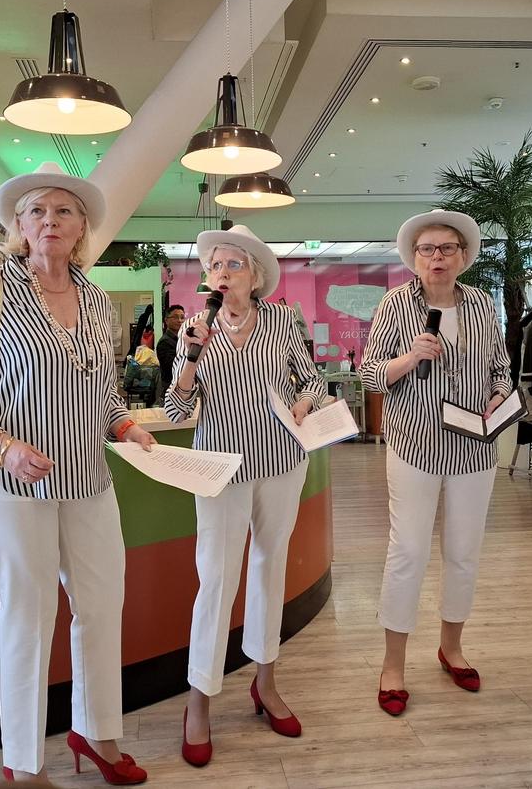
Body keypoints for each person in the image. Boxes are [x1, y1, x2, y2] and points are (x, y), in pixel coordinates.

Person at [0, 162, 155, 785]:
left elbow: (105, 391)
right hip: (15, 487)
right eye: (37, 211)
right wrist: (3, 446)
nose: (50, 221)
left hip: (90, 481)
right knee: (28, 617)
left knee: (102, 608)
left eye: (64, 211)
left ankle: (98, 733)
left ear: (83, 226)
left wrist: (126, 427)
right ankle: (23, 763)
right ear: (19, 223)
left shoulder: (95, 299)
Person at [164, 225, 327, 766]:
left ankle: (266, 681)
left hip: (281, 462)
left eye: (234, 264)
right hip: (220, 470)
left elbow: (312, 381)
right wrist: (191, 358)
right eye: (215, 265)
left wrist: (304, 403)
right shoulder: (195, 329)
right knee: (216, 580)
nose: (223, 273)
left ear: (255, 277)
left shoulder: (281, 321)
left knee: (270, 570)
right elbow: (176, 410)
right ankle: (199, 701)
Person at [359, 209, 512, 716]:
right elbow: (370, 374)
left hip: (474, 447)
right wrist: (409, 358)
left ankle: (452, 647)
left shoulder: (482, 304)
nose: (437, 258)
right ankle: (393, 665)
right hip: (415, 445)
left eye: (447, 248)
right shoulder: (396, 303)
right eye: (427, 249)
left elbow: (500, 366)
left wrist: (498, 395)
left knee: (464, 552)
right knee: (408, 551)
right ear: (415, 258)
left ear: (463, 256)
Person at [156, 304, 185, 394]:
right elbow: (173, 366)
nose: (179, 320)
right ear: (166, 320)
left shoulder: (181, 339)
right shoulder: (165, 342)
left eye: (182, 317)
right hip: (171, 387)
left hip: (181, 385)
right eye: (175, 317)